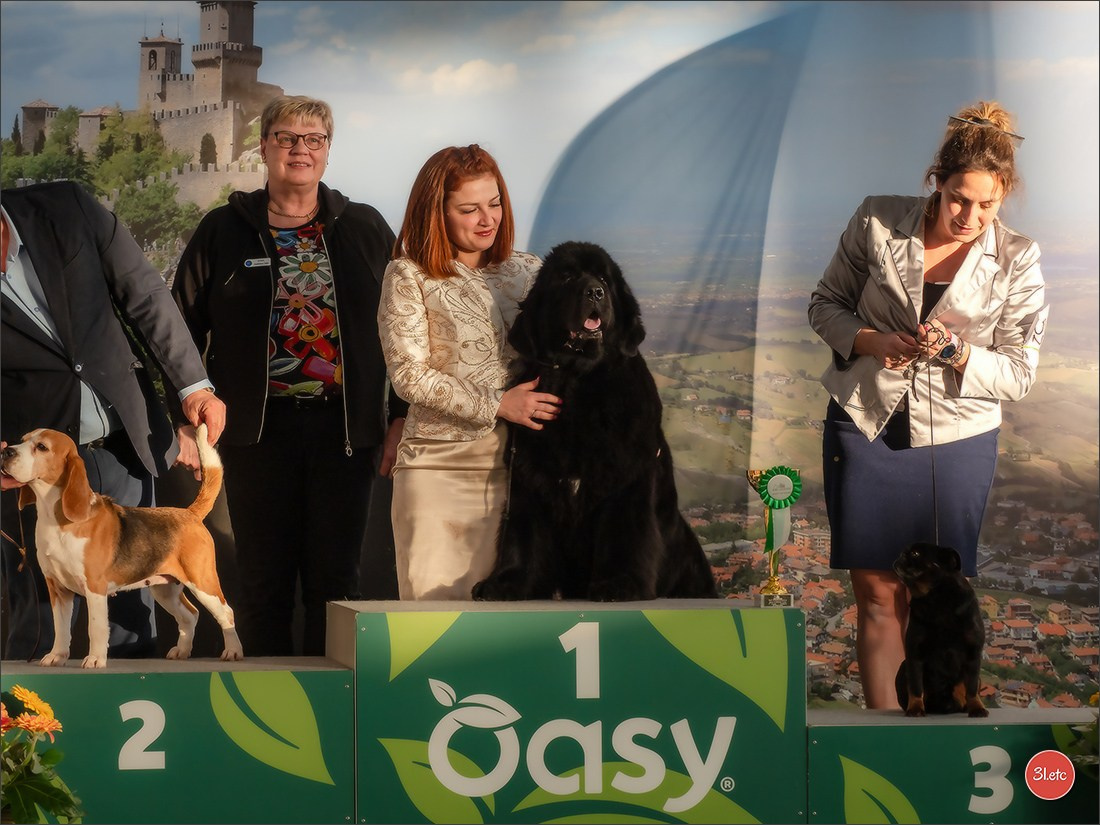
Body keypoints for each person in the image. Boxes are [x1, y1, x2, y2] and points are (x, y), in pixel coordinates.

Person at [807, 101, 1048, 709]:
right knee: (877, 593)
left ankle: (939, 731)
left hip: (960, 439)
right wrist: (872, 340)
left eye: (986, 204)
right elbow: (824, 305)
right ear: (936, 183)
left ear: (1004, 197)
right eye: (958, 198)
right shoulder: (876, 221)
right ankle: (888, 735)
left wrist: (961, 354)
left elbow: (1019, 374)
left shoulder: (1020, 257)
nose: (969, 216)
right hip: (865, 422)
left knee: (939, 600)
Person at [172, 95, 406, 656]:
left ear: (327, 151)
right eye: (287, 138)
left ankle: (334, 710)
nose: (300, 149)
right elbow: (175, 329)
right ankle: (271, 706)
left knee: (337, 584)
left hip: (346, 434)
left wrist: (400, 417)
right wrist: (178, 416)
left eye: (313, 139)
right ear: (264, 147)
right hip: (257, 434)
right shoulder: (223, 230)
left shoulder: (366, 227)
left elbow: (407, 329)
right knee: (261, 582)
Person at [1, 180, 226, 661]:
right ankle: (34, 734)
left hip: (124, 441)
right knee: (39, 621)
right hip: (28, 471)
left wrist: (193, 385)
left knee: (129, 618)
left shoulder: (70, 206)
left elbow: (146, 295)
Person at [378, 144, 562, 600]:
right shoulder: (408, 275)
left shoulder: (531, 270)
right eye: (470, 208)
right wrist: (499, 403)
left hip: (525, 475)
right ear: (436, 212)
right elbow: (409, 376)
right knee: (434, 632)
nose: (488, 218)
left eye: (495, 202)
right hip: (438, 471)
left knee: (514, 634)